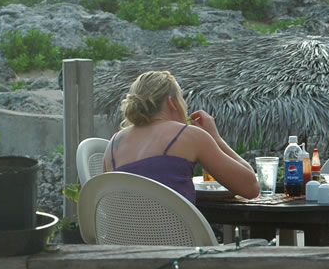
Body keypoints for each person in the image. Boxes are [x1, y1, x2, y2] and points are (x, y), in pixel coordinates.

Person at [104, 70, 259, 201]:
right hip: (174, 229)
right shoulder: (188, 135)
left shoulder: (113, 144)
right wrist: (215, 137)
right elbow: (250, 187)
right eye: (182, 97)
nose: (185, 104)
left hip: (121, 229)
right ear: (171, 102)